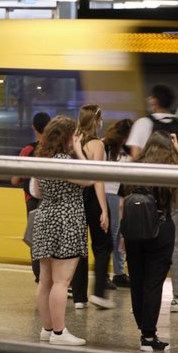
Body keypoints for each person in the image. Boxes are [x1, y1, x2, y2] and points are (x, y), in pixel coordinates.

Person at [126, 84, 178, 313]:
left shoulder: (143, 124)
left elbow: (136, 158)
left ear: (154, 101)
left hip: (147, 195)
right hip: (174, 194)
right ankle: (177, 298)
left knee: (143, 239)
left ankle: (143, 293)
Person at [120, 132, 178, 352]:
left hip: (133, 230)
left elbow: (123, 202)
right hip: (161, 230)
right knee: (153, 283)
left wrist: (123, 233)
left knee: (138, 280)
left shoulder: (134, 166)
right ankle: (148, 336)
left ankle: (144, 328)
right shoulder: (169, 169)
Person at [30, 116, 94, 346]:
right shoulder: (64, 161)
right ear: (68, 137)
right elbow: (90, 179)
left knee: (45, 280)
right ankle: (59, 333)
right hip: (66, 219)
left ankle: (47, 329)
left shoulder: (41, 159)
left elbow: (36, 191)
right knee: (62, 281)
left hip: (45, 216)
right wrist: (79, 149)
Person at [70, 104, 113, 310]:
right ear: (96, 121)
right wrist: (104, 209)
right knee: (103, 246)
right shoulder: (97, 144)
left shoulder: (73, 141)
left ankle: (79, 298)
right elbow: (97, 179)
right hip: (93, 198)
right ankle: (99, 293)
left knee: (80, 248)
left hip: (76, 197)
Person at [11, 111, 51, 283]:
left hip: (32, 202)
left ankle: (40, 277)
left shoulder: (28, 150)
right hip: (53, 201)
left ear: (34, 127)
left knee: (35, 240)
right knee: (51, 237)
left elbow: (15, 179)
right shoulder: (56, 150)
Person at [103, 119, 133, 287]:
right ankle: (105, 274)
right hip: (109, 194)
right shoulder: (105, 147)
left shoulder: (125, 151)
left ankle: (119, 273)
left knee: (120, 235)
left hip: (121, 195)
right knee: (111, 235)